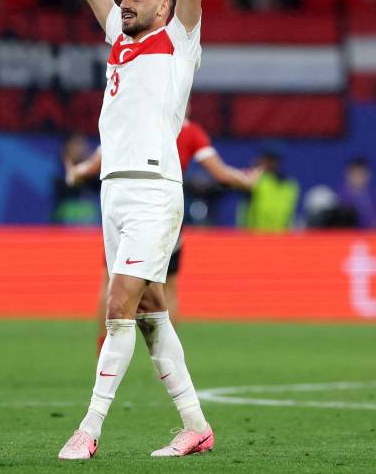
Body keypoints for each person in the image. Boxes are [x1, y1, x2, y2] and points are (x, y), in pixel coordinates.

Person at [23, 0, 226, 459]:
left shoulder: (178, 40)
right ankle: (195, 426)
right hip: (113, 190)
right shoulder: (118, 39)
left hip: (154, 188)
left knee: (117, 304)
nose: (126, 2)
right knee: (149, 312)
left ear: (162, 9)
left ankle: (88, 430)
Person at [66, 117, 258, 348]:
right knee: (169, 287)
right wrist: (247, 181)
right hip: (164, 210)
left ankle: (105, 345)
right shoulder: (188, 130)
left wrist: (75, 173)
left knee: (110, 278)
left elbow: (93, 165)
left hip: (127, 208)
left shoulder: (128, 118)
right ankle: (167, 354)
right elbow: (222, 174)